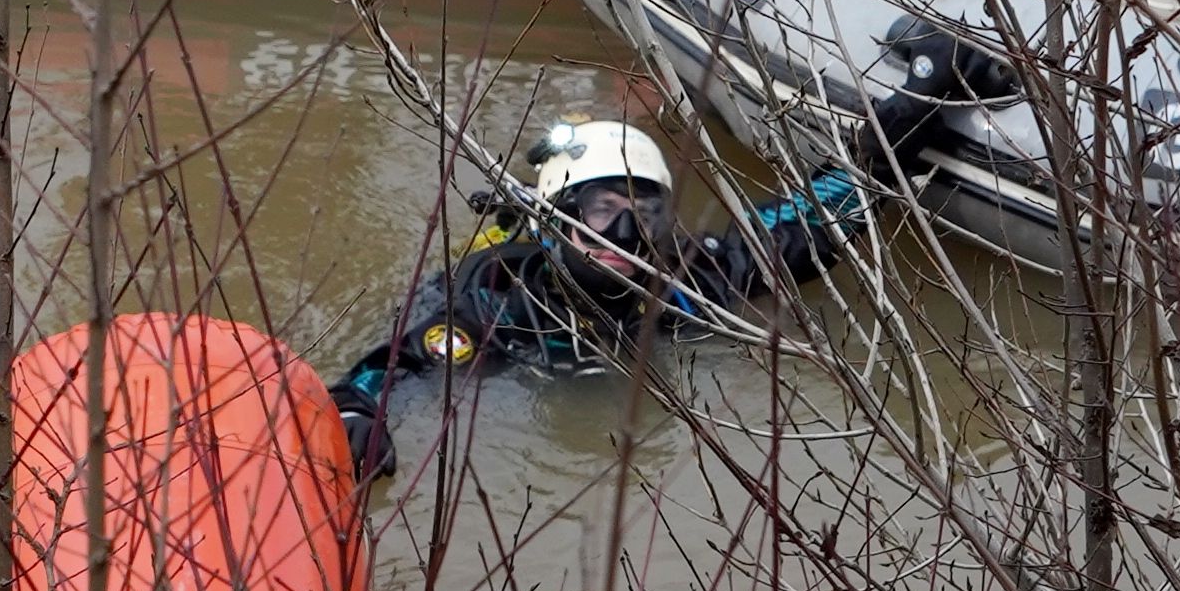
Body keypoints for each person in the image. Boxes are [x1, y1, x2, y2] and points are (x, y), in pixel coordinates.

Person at [330, 119, 866, 478]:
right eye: (603, 210)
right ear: (562, 213)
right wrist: (356, 417)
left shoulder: (685, 279)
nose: (625, 233)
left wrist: (891, 137)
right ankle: (516, 214)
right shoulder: (497, 301)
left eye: (645, 214)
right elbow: (390, 369)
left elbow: (797, 228)